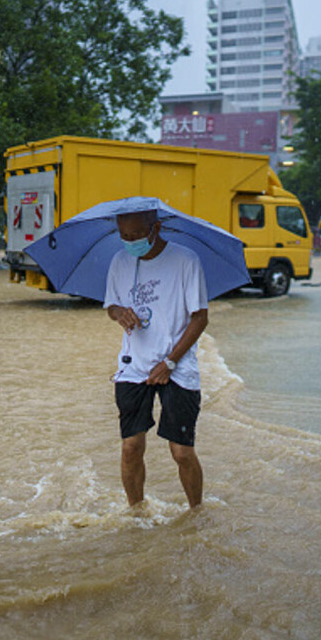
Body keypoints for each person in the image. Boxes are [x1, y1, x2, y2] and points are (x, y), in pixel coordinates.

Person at [104, 210, 209, 509]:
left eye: (137, 235)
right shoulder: (120, 262)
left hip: (178, 367)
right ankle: (136, 513)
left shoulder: (186, 261)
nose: (130, 242)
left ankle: (196, 514)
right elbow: (110, 304)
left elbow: (200, 318)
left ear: (156, 228)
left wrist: (170, 362)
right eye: (124, 236)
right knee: (131, 447)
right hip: (132, 365)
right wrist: (119, 313)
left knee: (181, 452)